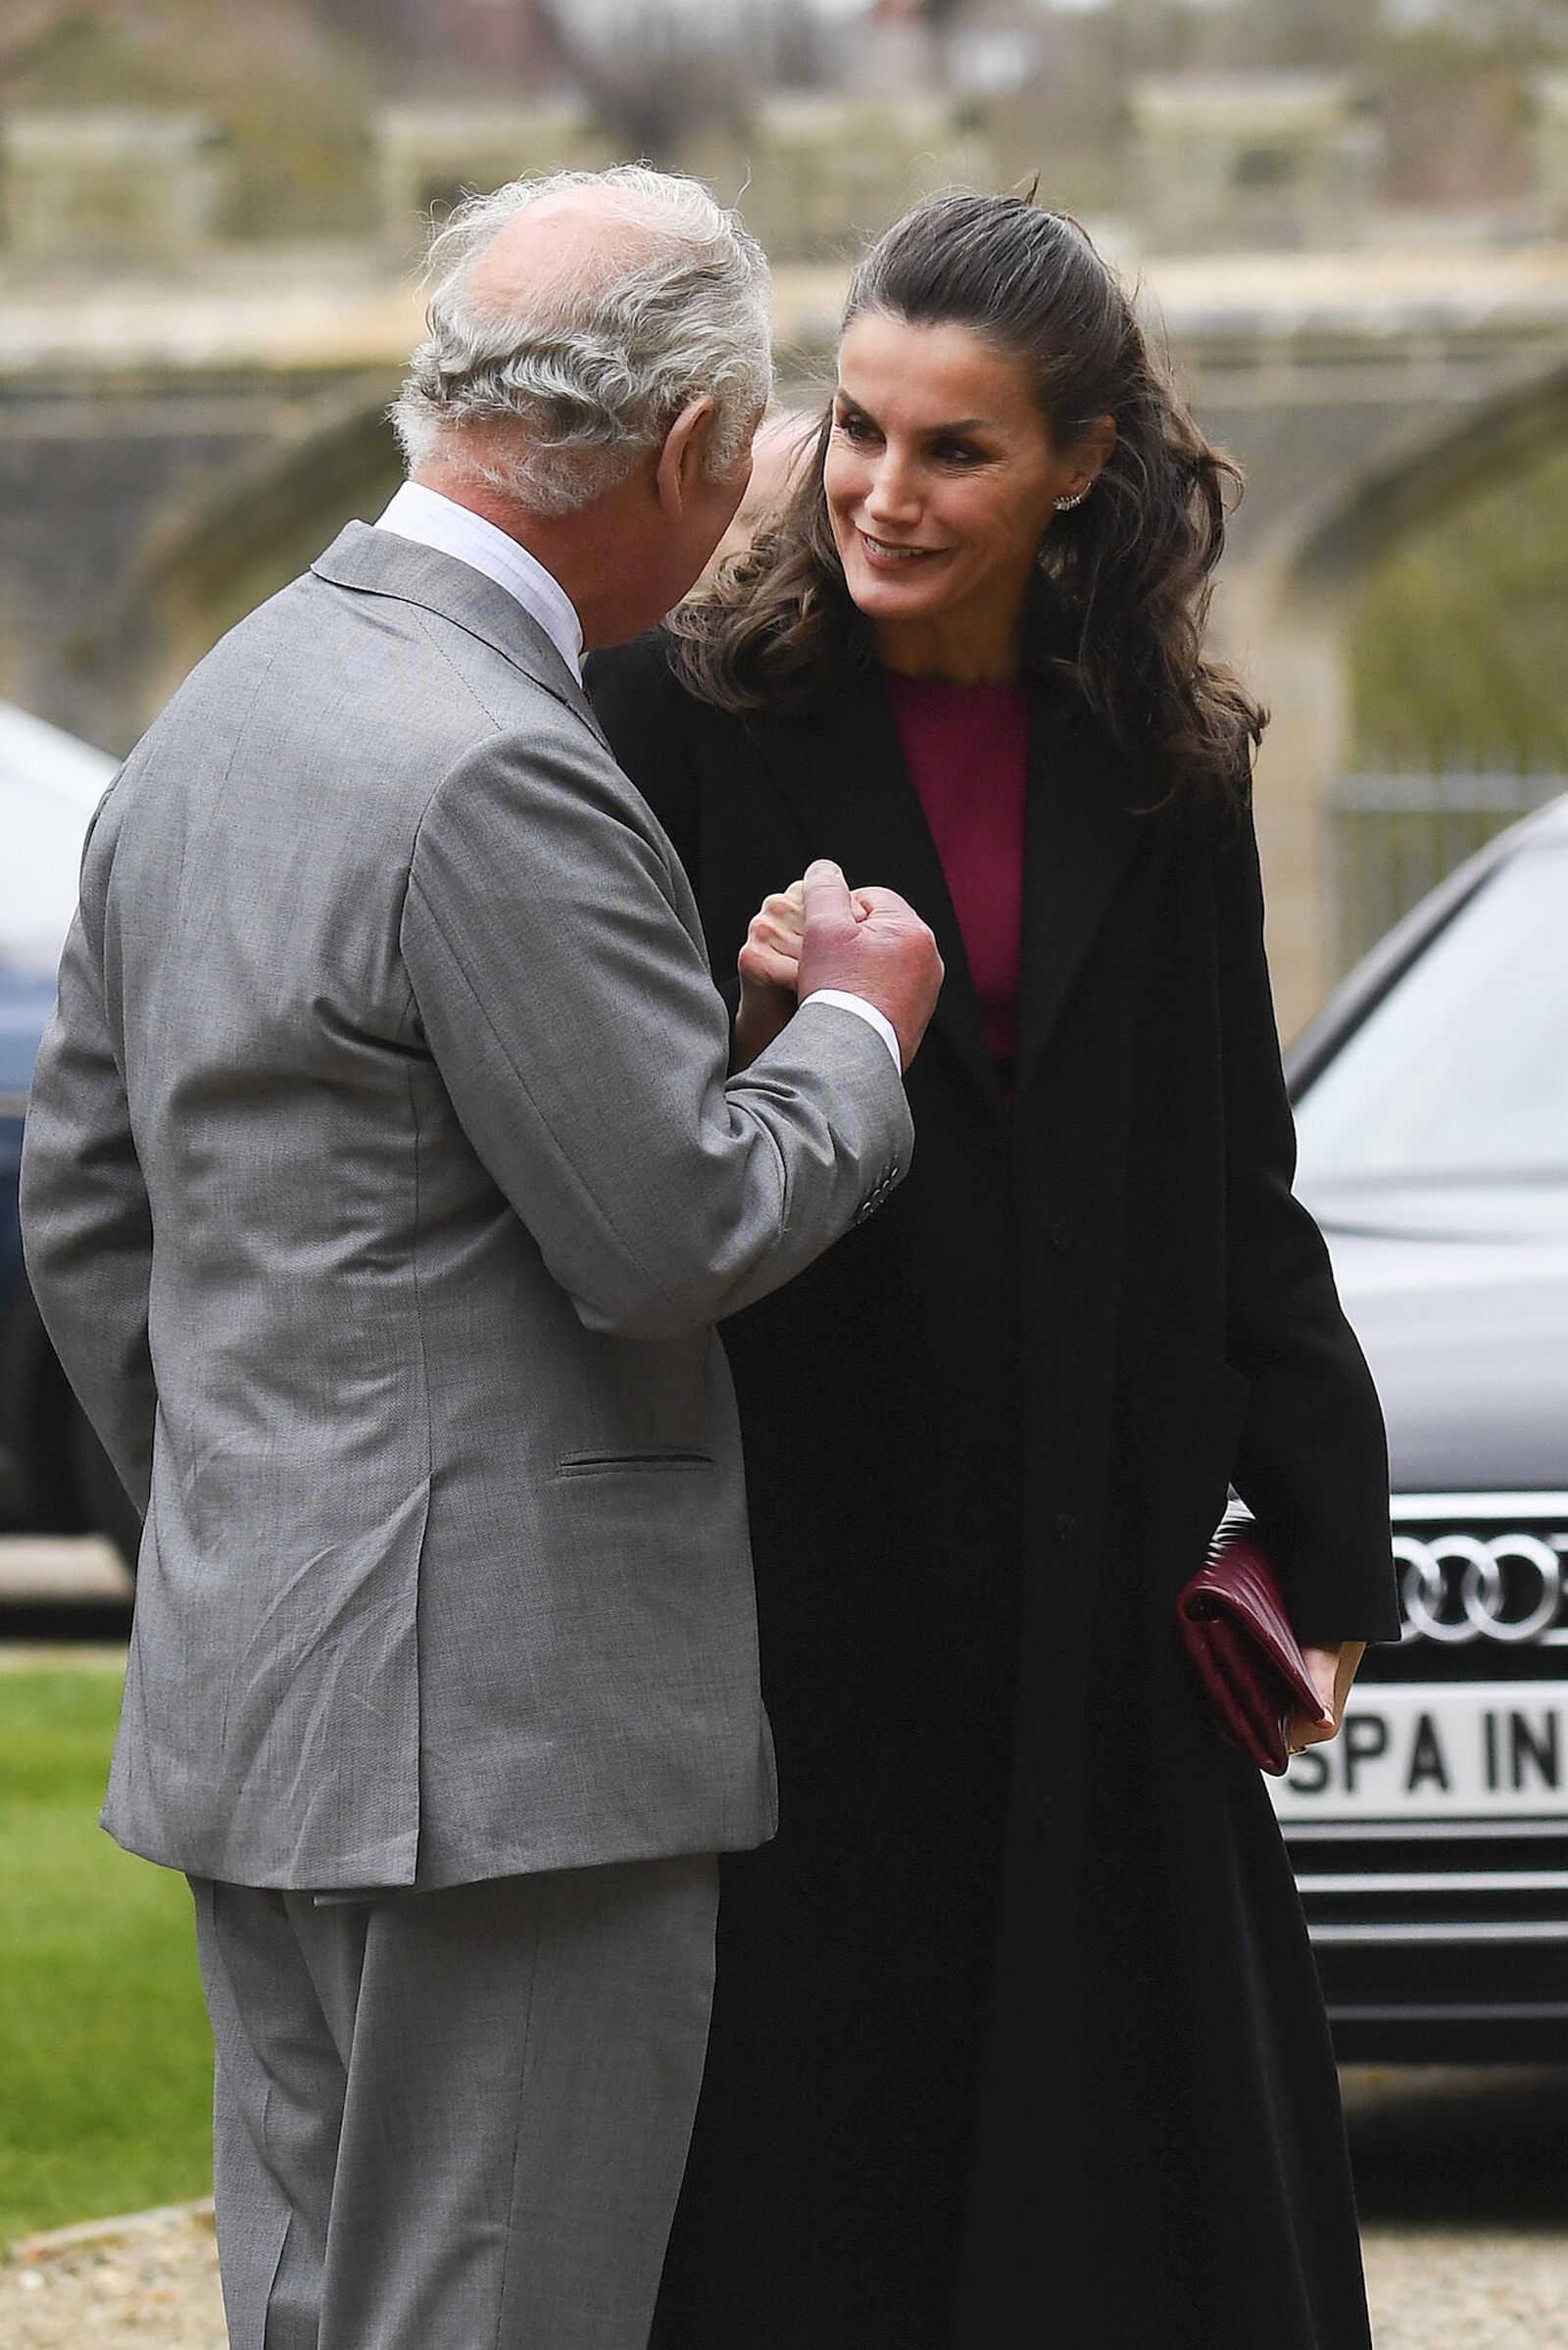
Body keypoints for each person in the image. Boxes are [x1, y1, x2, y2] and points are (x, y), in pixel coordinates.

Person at [18, 166, 944, 2350]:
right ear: (697, 455)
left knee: (325, 2304)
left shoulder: (217, 717)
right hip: (511, 1743)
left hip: (267, 1683)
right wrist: (846, 1029)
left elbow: (87, 1200)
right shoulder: (493, 765)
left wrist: (267, 1512)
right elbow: (674, 1229)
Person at [587, 189, 1399, 2350]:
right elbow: (603, 1152)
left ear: (1079, 466)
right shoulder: (659, 724)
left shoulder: (1163, 761)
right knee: (808, 2181)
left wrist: (1327, 1539)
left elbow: (1234, 1173)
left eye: (953, 448)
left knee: (1133, 2191)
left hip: (1099, 1566)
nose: (879, 489)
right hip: (796, 1579)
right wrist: (748, 1032)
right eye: (853, 427)